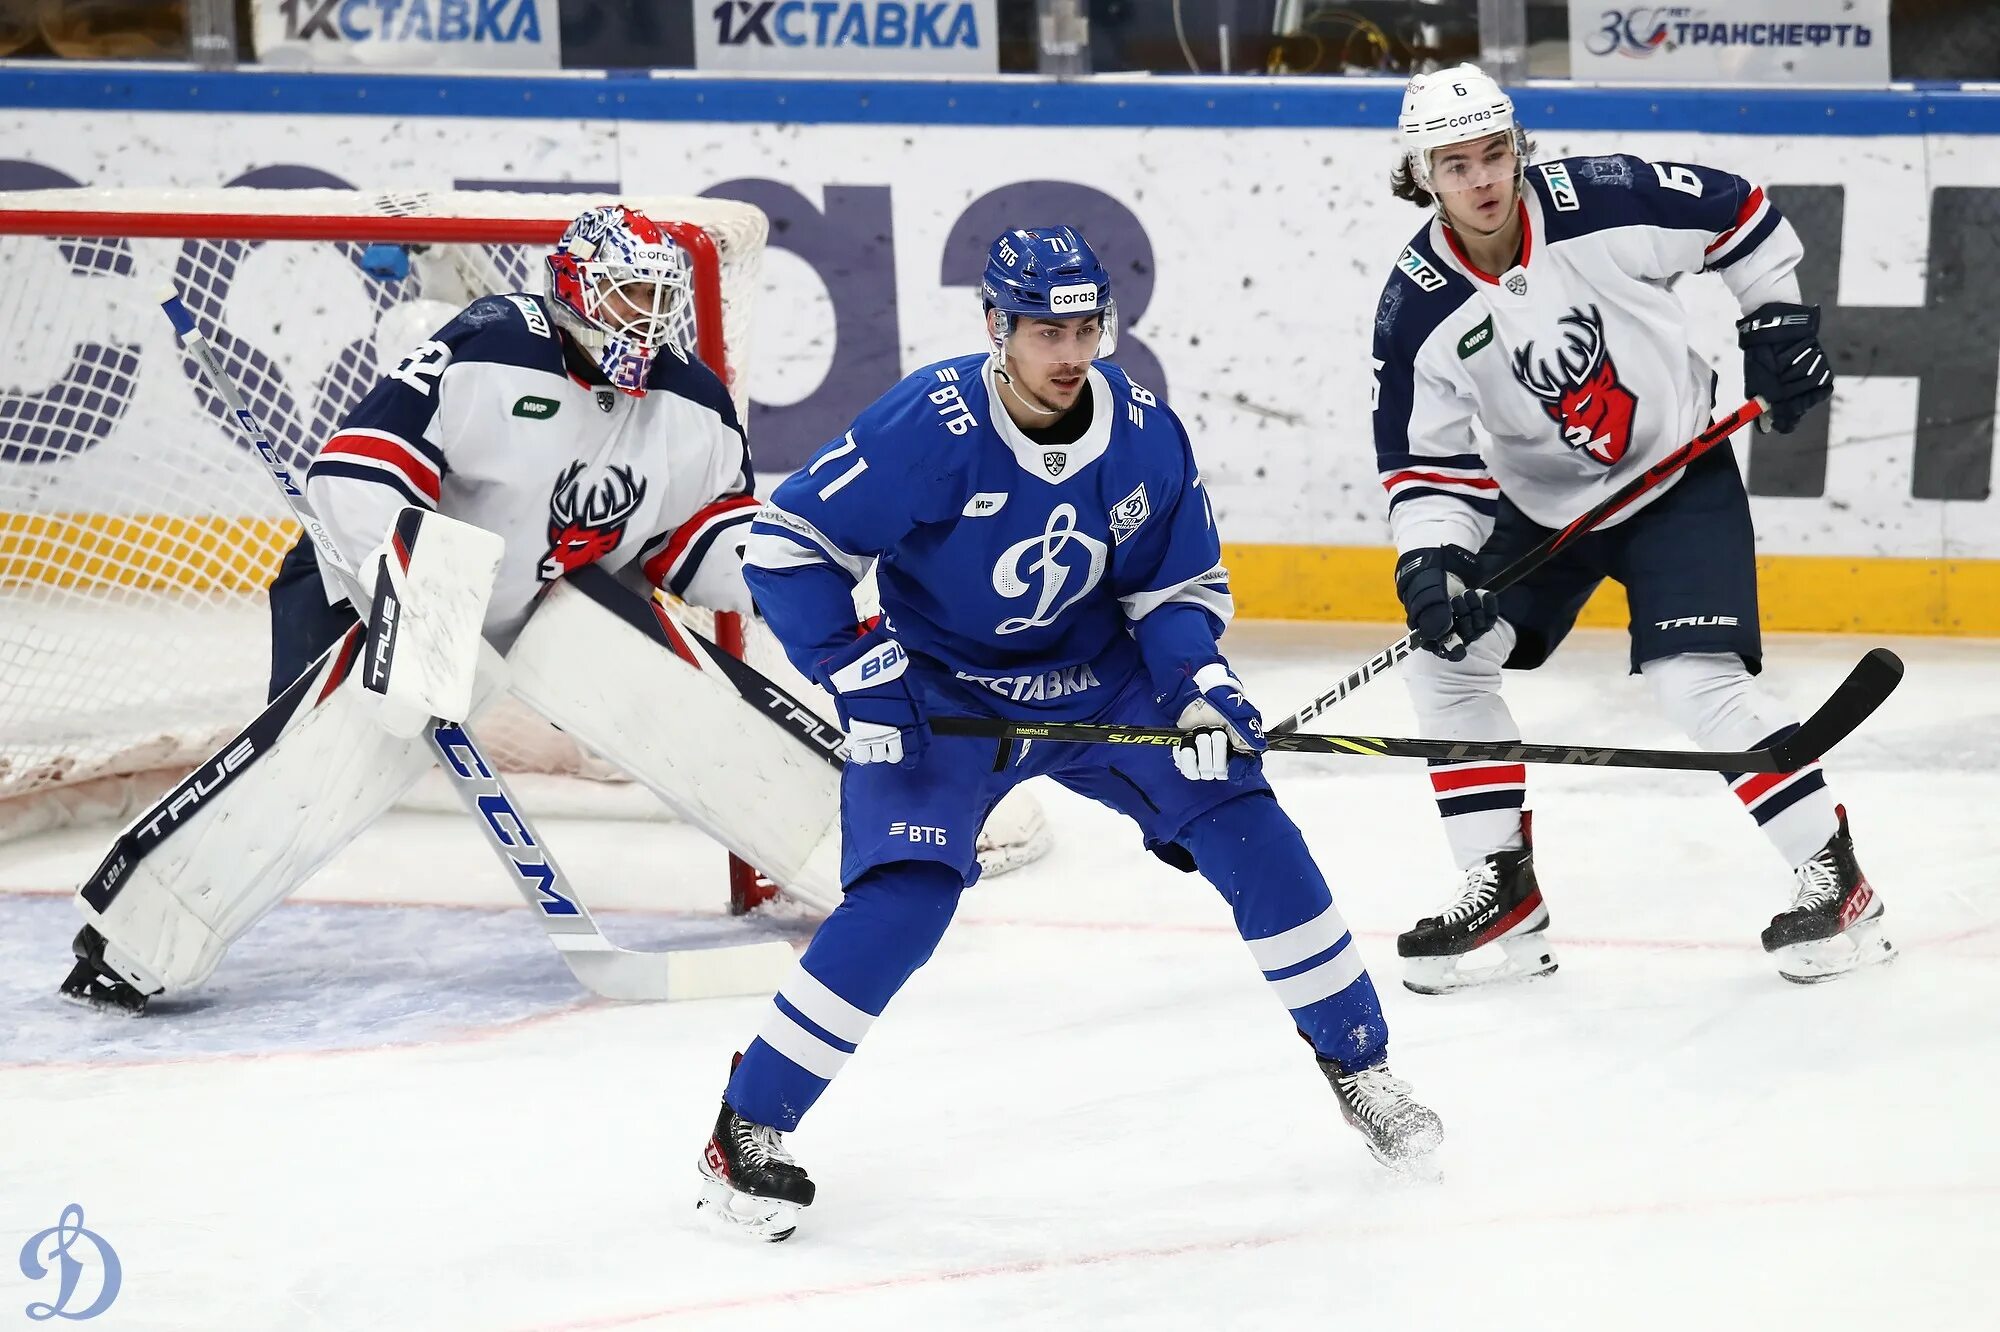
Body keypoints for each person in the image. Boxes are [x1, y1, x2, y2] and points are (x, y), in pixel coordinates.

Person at [695, 226, 1442, 1243]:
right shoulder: (932, 422)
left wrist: (1196, 683)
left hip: (1099, 682)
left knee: (1247, 828)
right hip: (941, 693)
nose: (1068, 351)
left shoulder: (1141, 433)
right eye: (1045, 328)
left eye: (1085, 326)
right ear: (995, 326)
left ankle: (1361, 1068)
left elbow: (1172, 588)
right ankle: (750, 1126)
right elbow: (785, 545)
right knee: (904, 901)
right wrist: (857, 669)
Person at [60, 203, 760, 1011]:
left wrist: (778, 573)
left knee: (688, 693)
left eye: (657, 300)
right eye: (629, 296)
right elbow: (358, 469)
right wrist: (414, 595)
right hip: (369, 585)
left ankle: (844, 851)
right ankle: (127, 940)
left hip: (541, 606)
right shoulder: (491, 345)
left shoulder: (694, 404)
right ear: (576, 287)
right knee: (302, 775)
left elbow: (695, 538)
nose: (648, 320)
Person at [1368, 64, 1894, 993]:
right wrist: (1432, 559)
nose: (1483, 179)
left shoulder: (1599, 200)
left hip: (1674, 477)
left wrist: (1773, 319)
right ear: (1422, 174)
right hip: (1542, 513)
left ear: (1517, 147)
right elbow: (1426, 466)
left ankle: (1835, 875)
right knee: (1445, 661)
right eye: (1456, 165)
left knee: (1697, 684)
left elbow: (1741, 212)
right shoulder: (1418, 309)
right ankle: (1502, 889)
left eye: (1495, 153)